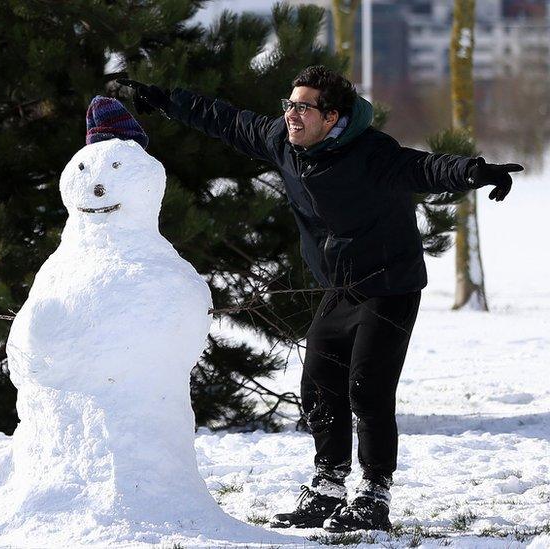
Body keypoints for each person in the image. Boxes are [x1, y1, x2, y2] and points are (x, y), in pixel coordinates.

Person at [119, 67, 522, 532]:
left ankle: (374, 494)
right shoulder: (284, 143)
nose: (291, 114)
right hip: (341, 289)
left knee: (367, 389)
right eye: (289, 105)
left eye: (303, 107)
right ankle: (329, 485)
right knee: (318, 388)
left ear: (332, 117)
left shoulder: (371, 153)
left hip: (389, 286)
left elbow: (425, 168)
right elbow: (227, 120)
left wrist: (477, 171)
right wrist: (165, 98)